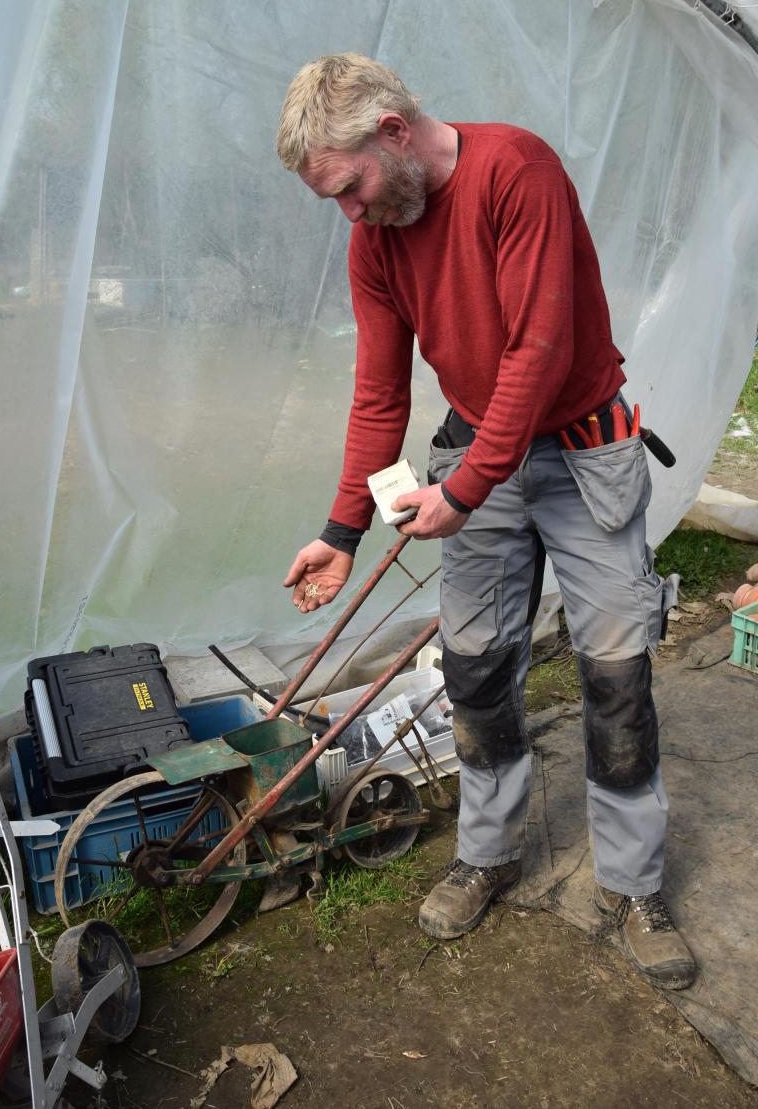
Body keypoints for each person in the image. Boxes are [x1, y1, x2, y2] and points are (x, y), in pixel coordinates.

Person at [276, 53, 696, 991]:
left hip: (585, 453)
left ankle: (633, 883)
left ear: (393, 131)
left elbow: (538, 350)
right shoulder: (375, 239)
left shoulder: (517, 170)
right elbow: (379, 393)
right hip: (479, 456)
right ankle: (490, 851)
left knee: (616, 675)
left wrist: (462, 492)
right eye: (333, 202)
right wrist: (342, 531)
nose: (351, 214)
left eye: (351, 189)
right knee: (473, 666)